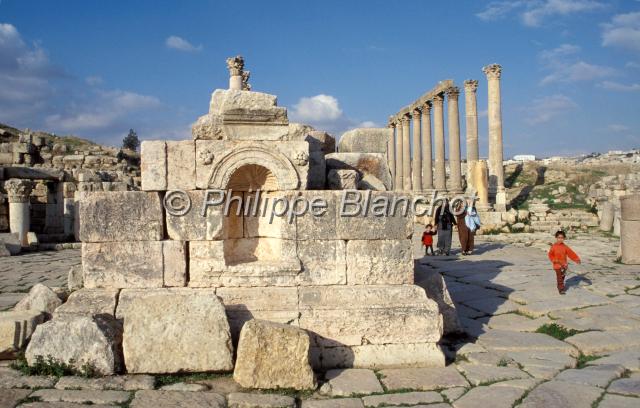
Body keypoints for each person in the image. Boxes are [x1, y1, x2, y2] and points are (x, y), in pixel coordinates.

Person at [548, 230, 581, 295]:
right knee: (559, 277)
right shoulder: (553, 247)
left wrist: (576, 259)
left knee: (562, 276)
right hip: (557, 265)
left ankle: (560, 285)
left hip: (564, 265)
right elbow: (550, 255)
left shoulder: (565, 247)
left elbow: (571, 253)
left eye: (562, 238)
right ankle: (561, 289)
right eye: (559, 238)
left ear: (564, 238)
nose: (560, 239)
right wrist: (554, 260)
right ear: (556, 238)